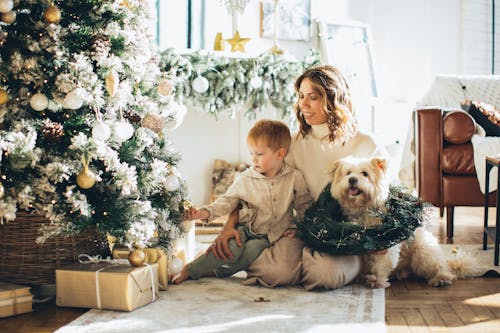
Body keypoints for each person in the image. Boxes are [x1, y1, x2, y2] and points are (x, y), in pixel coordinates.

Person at [210, 65, 385, 290]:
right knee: (272, 273)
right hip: (303, 229)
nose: (303, 104)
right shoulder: (293, 144)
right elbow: (254, 182)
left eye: (313, 97)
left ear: (333, 99)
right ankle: (305, 257)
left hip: (348, 235)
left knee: (324, 276)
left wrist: (376, 239)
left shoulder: (365, 143)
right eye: (301, 96)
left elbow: (391, 193)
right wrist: (229, 224)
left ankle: (334, 263)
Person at [172, 119, 313, 284]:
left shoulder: (294, 178)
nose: (253, 159)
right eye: (251, 153)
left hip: (268, 237)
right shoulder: (246, 178)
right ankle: (191, 269)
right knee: (231, 248)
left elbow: (305, 206)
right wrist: (202, 213)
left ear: (280, 154)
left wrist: (298, 229)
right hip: (244, 228)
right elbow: (226, 202)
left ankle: (216, 271)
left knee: (252, 251)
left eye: (259, 154)